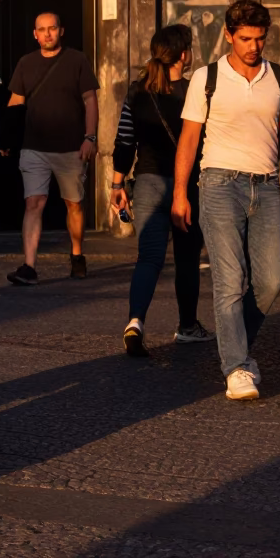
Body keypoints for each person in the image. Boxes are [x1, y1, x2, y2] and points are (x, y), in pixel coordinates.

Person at [171, 0, 280, 401]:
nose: (254, 46)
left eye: (260, 38)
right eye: (246, 39)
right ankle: (236, 366)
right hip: (218, 184)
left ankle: (234, 342)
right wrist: (180, 193)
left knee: (272, 279)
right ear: (229, 35)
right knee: (230, 280)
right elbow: (188, 139)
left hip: (267, 185)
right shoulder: (207, 78)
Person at [110, 24, 213, 357]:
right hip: (189, 183)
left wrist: (117, 183)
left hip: (149, 180)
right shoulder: (196, 92)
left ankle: (136, 321)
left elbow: (124, 142)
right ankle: (187, 326)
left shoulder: (137, 91)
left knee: (149, 257)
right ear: (184, 55)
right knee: (186, 257)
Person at [0, 12, 100, 285]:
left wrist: (90, 138)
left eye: (52, 28)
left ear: (61, 30)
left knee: (74, 204)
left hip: (70, 148)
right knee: (34, 203)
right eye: (41, 30)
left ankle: (77, 255)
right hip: (34, 147)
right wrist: (6, 138)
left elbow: (90, 100)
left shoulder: (76, 60)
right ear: (34, 34)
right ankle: (29, 266)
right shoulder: (26, 64)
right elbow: (15, 102)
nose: (47, 34)